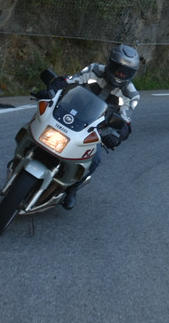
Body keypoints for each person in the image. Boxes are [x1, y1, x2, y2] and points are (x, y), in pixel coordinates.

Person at [38, 44, 141, 209]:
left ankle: (72, 189)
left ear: (132, 74)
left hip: (94, 131)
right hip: (69, 114)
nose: (120, 74)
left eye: (125, 72)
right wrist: (51, 91)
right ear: (110, 64)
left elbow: (125, 122)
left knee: (95, 160)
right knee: (40, 123)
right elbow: (69, 81)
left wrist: (115, 136)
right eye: (118, 69)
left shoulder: (131, 94)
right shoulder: (94, 70)